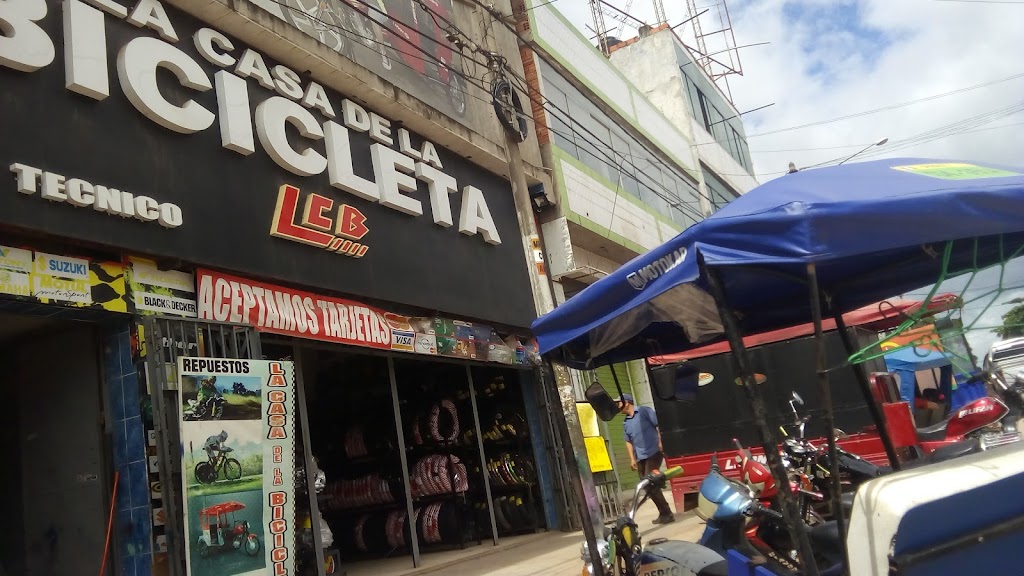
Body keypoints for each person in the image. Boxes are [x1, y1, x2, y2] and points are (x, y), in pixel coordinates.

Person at [619, 393, 675, 524]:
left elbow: (658, 425)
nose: (617, 406)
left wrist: (661, 441)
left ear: (626, 402)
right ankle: (665, 512)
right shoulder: (626, 422)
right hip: (640, 456)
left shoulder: (644, 411)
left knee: (650, 481)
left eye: (619, 403)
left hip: (653, 452)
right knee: (647, 486)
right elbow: (628, 441)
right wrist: (632, 459)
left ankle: (666, 513)